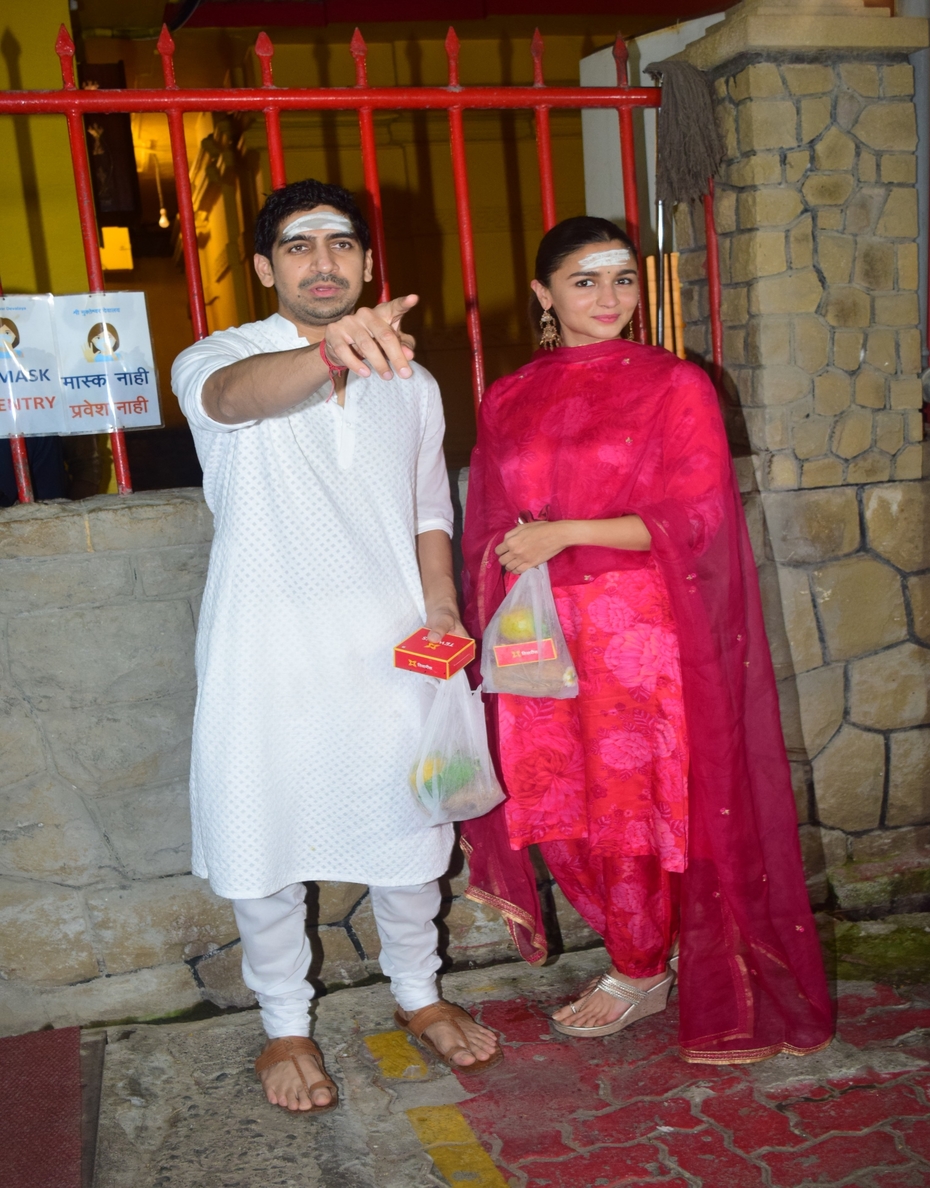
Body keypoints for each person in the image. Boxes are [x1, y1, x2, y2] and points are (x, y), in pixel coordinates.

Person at [461, 216, 833, 1063]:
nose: (609, 297)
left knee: (631, 808)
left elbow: (697, 518)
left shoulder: (674, 384)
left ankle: (637, 968)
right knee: (553, 804)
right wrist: (498, 574)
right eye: (585, 280)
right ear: (543, 293)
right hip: (536, 630)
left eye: (623, 278)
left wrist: (565, 533)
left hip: (636, 634)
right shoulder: (507, 397)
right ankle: (633, 950)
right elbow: (488, 517)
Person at [171, 179, 500, 1115]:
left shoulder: (414, 381)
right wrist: (328, 351)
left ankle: (419, 994)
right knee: (265, 832)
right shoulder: (218, 357)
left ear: (366, 261)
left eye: (342, 244)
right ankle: (284, 1024)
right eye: (300, 245)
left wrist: (442, 607)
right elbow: (233, 400)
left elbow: (428, 508)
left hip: (391, 648)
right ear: (265, 267)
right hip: (265, 650)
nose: (325, 262)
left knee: (414, 830)